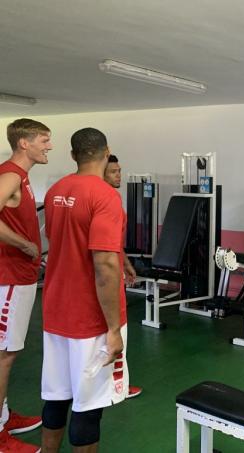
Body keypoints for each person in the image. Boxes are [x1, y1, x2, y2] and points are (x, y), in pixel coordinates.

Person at [41, 128, 129, 452]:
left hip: (55, 312)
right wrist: (113, 329)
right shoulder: (105, 196)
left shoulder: (55, 191)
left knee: (57, 396)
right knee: (89, 406)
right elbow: (104, 265)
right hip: (90, 320)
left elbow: (58, 242)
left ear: (73, 155)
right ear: (106, 152)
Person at [0, 118, 52, 453]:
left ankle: (4, 415)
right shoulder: (10, 174)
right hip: (10, 277)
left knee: (9, 352)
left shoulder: (21, 176)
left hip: (21, 276)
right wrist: (24, 244)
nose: (49, 146)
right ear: (24, 143)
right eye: (44, 140)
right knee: (3, 355)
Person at [103, 154, 142, 399]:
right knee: (116, 331)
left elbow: (114, 242)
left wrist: (126, 263)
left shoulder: (112, 199)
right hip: (108, 275)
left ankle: (116, 383)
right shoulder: (107, 200)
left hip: (115, 267)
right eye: (113, 172)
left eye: (119, 170)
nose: (119, 175)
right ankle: (117, 387)